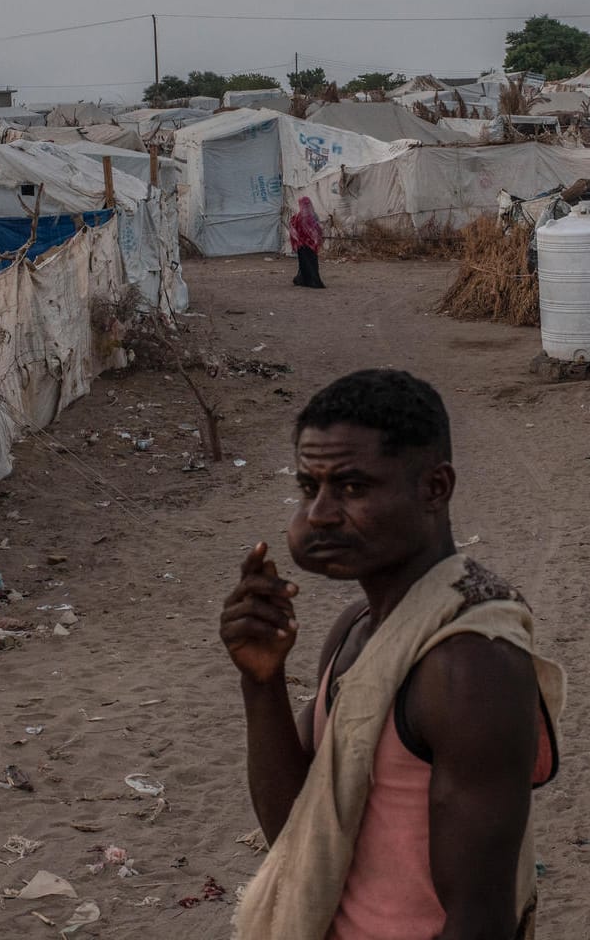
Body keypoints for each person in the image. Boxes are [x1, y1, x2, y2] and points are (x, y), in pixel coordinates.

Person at [221, 370, 563, 940]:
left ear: (435, 488)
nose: (321, 515)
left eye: (352, 488)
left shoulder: (468, 666)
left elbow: (481, 920)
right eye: (310, 488)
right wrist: (262, 681)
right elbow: (301, 833)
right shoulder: (357, 625)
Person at [289, 196, 326, 289]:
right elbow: (317, 230)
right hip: (311, 245)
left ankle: (310, 281)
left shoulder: (298, 217)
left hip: (302, 245)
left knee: (305, 263)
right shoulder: (313, 216)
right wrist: (316, 240)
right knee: (311, 263)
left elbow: (293, 230)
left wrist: (297, 240)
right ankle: (305, 279)